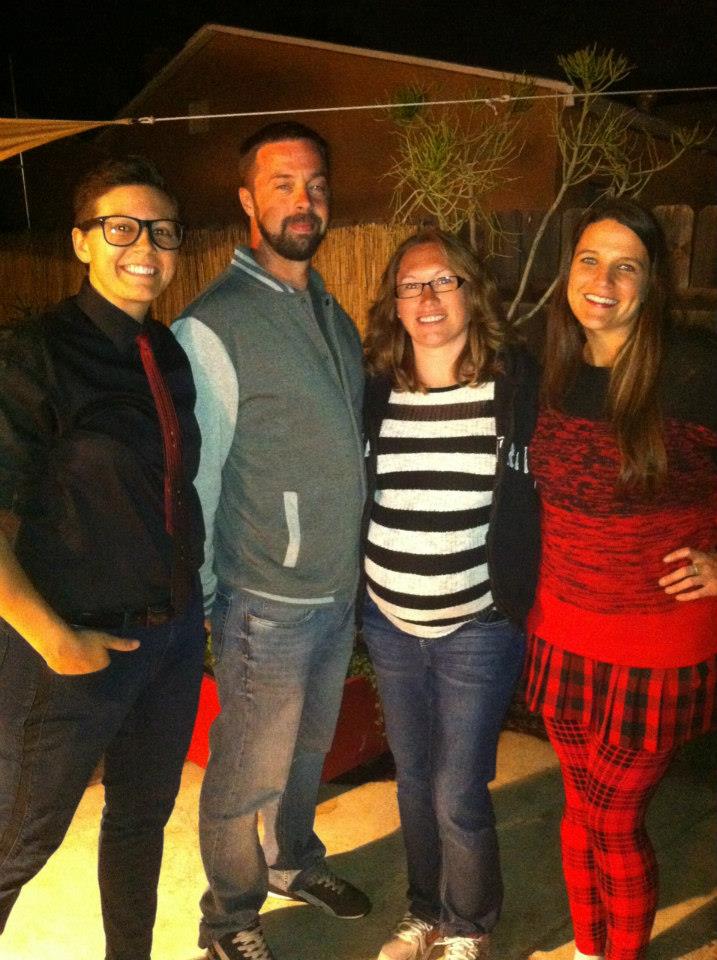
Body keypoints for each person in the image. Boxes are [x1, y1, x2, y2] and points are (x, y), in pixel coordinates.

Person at [0, 156, 206, 960]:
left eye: (162, 231)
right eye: (121, 228)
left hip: (170, 638)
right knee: (16, 844)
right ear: (82, 242)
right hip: (71, 648)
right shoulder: (36, 354)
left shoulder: (166, 351)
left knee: (140, 821)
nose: (144, 246)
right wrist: (53, 638)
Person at [173, 121, 369, 960]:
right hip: (264, 602)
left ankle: (293, 863)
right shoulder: (215, 324)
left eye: (315, 184)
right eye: (283, 184)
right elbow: (195, 477)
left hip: (334, 591)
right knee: (245, 774)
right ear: (248, 201)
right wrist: (205, 596)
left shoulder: (330, 311)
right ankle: (228, 920)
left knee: (308, 752)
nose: (304, 200)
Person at [523, 198, 717, 960]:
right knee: (579, 811)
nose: (602, 281)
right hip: (562, 629)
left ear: (652, 281)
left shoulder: (693, 367)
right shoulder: (552, 366)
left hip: (654, 643)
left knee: (609, 817)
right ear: (567, 271)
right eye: (588, 260)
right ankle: (587, 948)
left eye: (625, 266)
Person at [361, 228, 540, 960]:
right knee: (411, 781)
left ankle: (467, 925)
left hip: (477, 625)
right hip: (389, 621)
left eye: (444, 281)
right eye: (412, 284)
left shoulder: (515, 388)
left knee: (456, 791)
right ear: (394, 302)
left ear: (472, 292)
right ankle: (423, 913)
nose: (428, 297)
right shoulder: (375, 388)